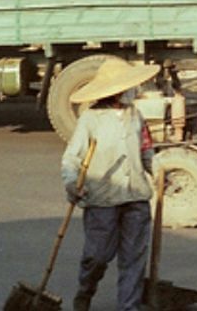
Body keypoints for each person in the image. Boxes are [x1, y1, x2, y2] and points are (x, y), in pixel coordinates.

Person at [61, 59, 160, 311]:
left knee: (134, 258)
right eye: (127, 88)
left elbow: (146, 150)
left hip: (136, 196)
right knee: (98, 256)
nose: (131, 92)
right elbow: (72, 159)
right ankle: (86, 290)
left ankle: (129, 306)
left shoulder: (135, 116)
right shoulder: (90, 120)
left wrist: (158, 172)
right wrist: (72, 183)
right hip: (102, 199)